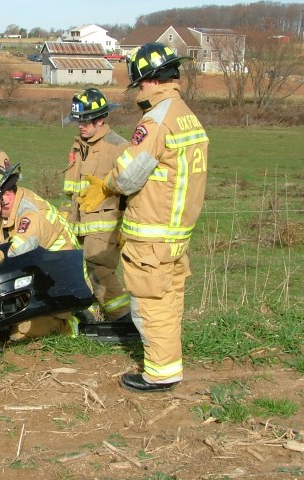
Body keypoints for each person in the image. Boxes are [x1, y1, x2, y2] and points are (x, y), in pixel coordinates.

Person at [78, 42, 209, 392]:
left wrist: (106, 185)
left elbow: (129, 175)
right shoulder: (186, 116)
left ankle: (160, 373)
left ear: (149, 80)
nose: (138, 90)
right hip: (177, 231)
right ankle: (168, 365)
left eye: (138, 83)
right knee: (168, 300)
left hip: (153, 233)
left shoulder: (155, 120)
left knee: (151, 304)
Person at [0, 163, 84, 340]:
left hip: (60, 284)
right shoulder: (2, 210)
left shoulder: (31, 214)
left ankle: (69, 326)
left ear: (6, 195)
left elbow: (16, 253)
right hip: (36, 276)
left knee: (19, 333)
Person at [62, 87, 130, 323]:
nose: (81, 126)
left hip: (106, 226)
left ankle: (122, 320)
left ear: (101, 119)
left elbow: (131, 190)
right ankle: (88, 318)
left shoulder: (118, 147)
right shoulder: (79, 146)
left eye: (87, 121)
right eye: (78, 121)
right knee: (75, 271)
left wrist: (126, 226)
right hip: (78, 223)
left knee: (101, 272)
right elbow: (72, 189)